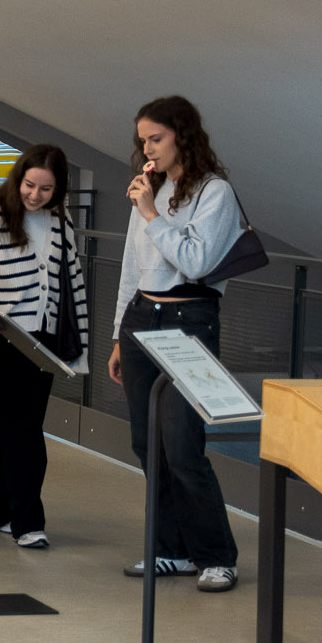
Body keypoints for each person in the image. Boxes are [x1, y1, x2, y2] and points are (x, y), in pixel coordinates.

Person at [109, 95, 246, 591]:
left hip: (189, 319)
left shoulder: (215, 193)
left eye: (156, 138)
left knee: (184, 447)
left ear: (182, 136)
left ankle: (217, 556)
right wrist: (118, 336)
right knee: (147, 445)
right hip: (140, 317)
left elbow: (196, 262)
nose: (147, 148)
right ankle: (171, 550)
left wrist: (151, 213)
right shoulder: (152, 189)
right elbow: (131, 266)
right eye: (143, 140)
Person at [0, 145, 90, 549]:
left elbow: (73, 284)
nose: (35, 195)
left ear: (59, 189)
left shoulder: (61, 222)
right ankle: (28, 521)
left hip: (43, 342)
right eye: (29, 185)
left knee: (12, 431)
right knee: (23, 434)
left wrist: (80, 347)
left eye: (46, 189)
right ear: (18, 178)